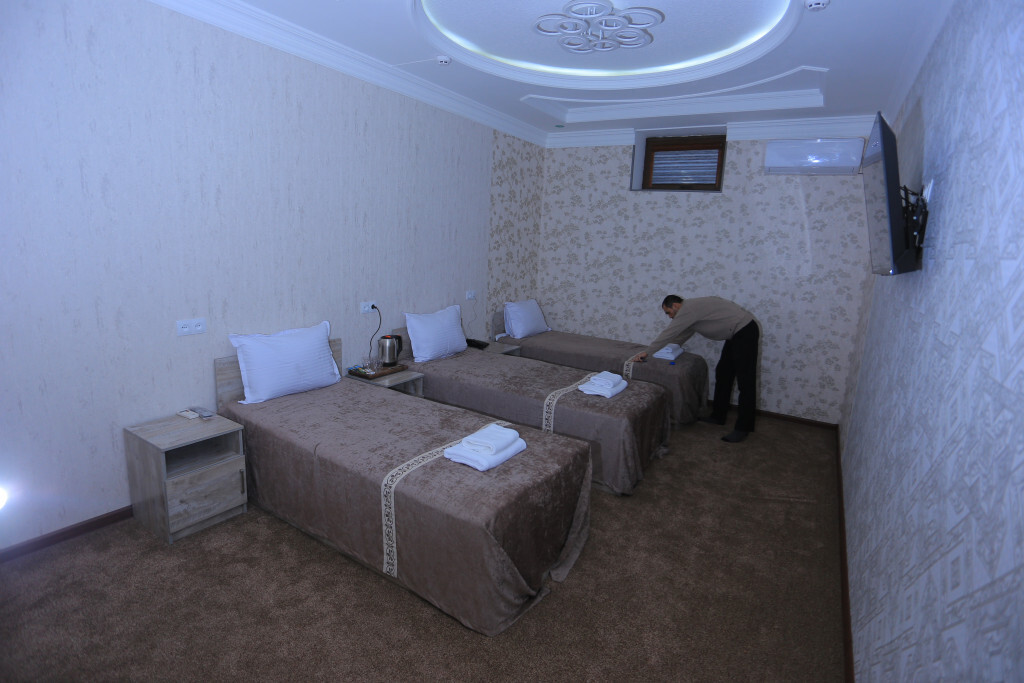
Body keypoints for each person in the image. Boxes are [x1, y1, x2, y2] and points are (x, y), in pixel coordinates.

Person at [632, 295, 760, 443]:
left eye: (668, 312)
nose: (669, 317)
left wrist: (647, 352)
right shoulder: (690, 313)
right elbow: (681, 335)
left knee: (746, 381)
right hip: (735, 334)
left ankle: (743, 427)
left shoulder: (688, 309)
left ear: (675, 306)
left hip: (744, 331)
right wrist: (665, 350)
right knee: (723, 374)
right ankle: (718, 415)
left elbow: (669, 333)